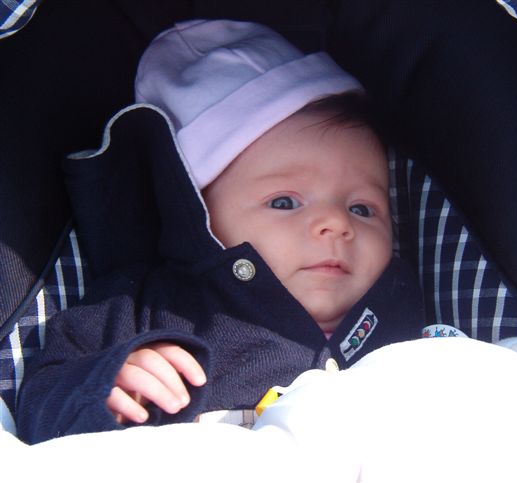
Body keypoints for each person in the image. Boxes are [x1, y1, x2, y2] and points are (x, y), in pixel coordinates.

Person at [16, 19, 425, 443]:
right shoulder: (141, 306)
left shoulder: (404, 308)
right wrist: (105, 384)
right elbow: (39, 402)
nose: (337, 224)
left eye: (362, 208)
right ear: (196, 216)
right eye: (284, 202)